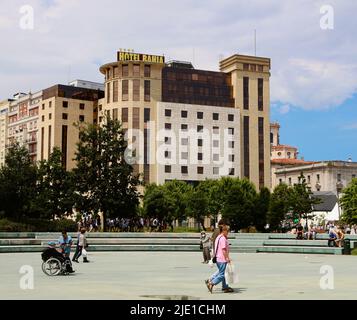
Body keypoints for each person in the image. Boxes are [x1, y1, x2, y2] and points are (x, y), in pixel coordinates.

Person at [205, 225, 234, 293]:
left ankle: (225, 287)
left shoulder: (218, 237)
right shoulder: (223, 238)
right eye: (227, 231)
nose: (228, 232)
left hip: (218, 258)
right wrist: (227, 258)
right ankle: (211, 283)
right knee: (222, 274)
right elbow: (223, 249)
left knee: (224, 273)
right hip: (222, 259)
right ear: (224, 231)